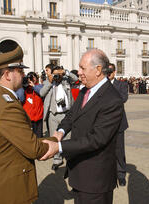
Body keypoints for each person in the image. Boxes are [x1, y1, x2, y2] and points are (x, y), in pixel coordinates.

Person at [41, 49, 124, 204]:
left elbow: (96, 139)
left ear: (98, 70)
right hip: (80, 173)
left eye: (82, 68)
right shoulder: (85, 90)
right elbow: (72, 115)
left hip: (95, 180)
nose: (78, 72)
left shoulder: (112, 99)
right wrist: (60, 131)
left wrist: (58, 147)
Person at [0, 46, 57, 204]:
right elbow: (33, 148)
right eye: (20, 71)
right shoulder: (7, 105)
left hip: (1, 182)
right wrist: (57, 143)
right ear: (7, 74)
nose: (23, 75)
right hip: (7, 190)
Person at [39, 64, 78, 170]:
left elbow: (76, 79)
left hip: (66, 114)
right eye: (54, 74)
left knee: (68, 137)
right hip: (53, 114)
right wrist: (50, 82)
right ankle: (57, 159)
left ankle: (70, 158)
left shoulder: (66, 80)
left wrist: (65, 72)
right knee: (54, 137)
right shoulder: (49, 81)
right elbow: (41, 93)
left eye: (58, 74)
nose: (56, 77)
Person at [108, 63, 129, 186]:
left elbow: (123, 98)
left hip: (119, 123)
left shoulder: (121, 84)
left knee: (119, 150)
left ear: (114, 72)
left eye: (111, 71)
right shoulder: (101, 85)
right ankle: (109, 173)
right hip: (105, 124)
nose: (109, 73)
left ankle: (121, 174)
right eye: (107, 71)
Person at [16, 72, 44, 138]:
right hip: (29, 118)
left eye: (33, 77)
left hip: (39, 117)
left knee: (39, 137)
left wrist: (33, 86)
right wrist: (23, 85)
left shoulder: (39, 86)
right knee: (30, 138)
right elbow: (21, 98)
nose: (32, 79)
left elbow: (42, 92)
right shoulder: (23, 89)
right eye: (30, 78)